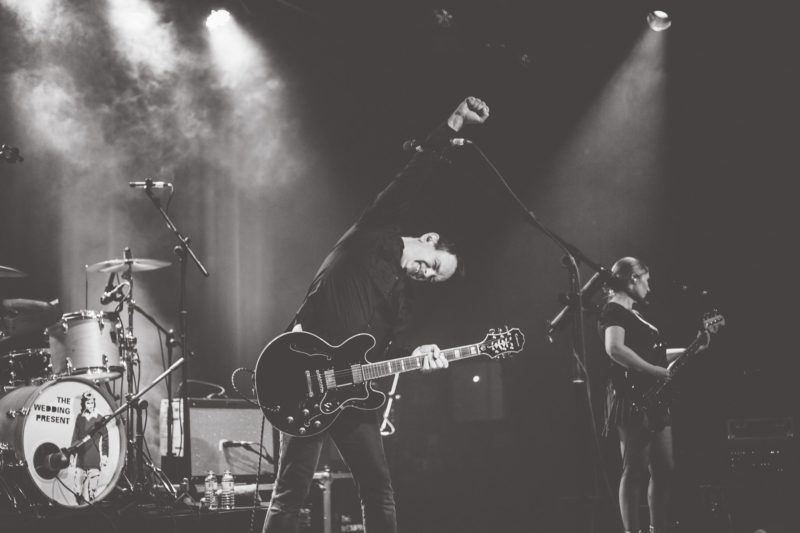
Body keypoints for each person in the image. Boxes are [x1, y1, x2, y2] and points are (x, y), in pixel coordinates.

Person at [262, 96, 490, 533]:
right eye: (432, 265)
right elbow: (412, 176)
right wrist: (452, 125)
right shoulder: (375, 231)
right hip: (303, 380)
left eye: (433, 278)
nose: (425, 274)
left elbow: (389, 353)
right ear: (429, 239)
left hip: (350, 392)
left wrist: (419, 356)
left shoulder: (401, 301)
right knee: (291, 489)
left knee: (378, 490)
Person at [598, 257, 710, 533]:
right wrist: (653, 370)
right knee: (634, 471)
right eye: (646, 280)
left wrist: (693, 347)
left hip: (655, 398)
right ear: (633, 278)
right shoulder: (613, 310)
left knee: (664, 468)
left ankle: (657, 528)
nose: (649, 287)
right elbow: (615, 349)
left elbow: (656, 356)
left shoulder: (635, 315)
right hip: (633, 397)